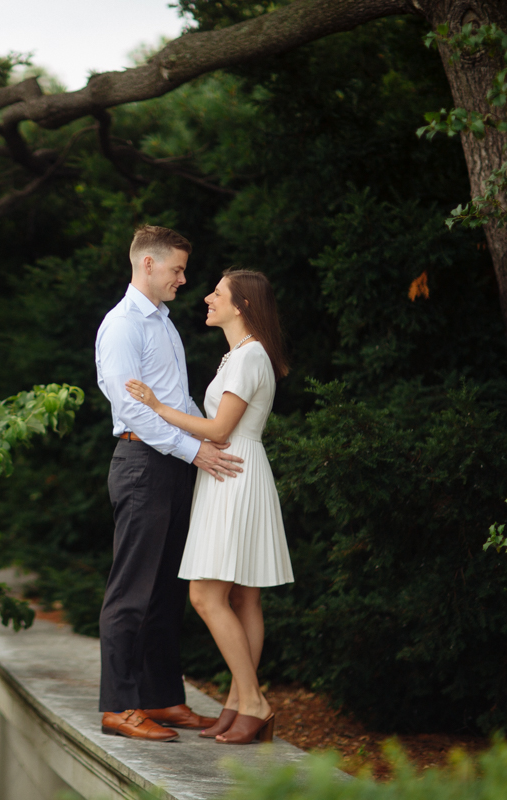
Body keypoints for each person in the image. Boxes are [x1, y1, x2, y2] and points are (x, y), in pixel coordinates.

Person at [126, 268, 294, 745]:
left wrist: (157, 408)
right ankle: (240, 703)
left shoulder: (249, 357)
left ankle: (254, 702)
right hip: (233, 472)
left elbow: (219, 430)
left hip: (232, 474)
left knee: (206, 596)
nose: (206, 297)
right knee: (243, 597)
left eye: (217, 293)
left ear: (241, 305)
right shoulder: (240, 355)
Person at [94, 226, 245, 742]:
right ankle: (118, 707)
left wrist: (210, 439)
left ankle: (161, 699)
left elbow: (174, 403)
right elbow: (132, 405)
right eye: (178, 269)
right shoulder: (122, 326)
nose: (184, 279)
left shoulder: (163, 322)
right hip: (142, 462)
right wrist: (195, 449)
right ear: (149, 265)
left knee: (165, 590)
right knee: (130, 590)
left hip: (174, 463)